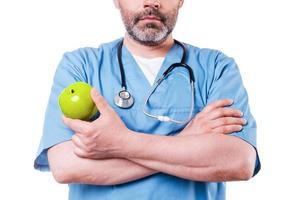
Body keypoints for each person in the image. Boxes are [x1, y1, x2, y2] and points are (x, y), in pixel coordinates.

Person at [34, 0, 261, 199]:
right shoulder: (81, 66)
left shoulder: (216, 68)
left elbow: (239, 162)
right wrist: (188, 139)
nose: (151, 2)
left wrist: (119, 143)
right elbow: (65, 167)